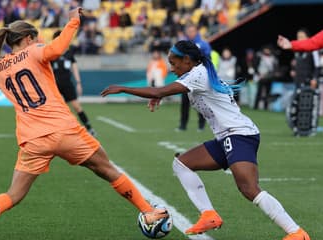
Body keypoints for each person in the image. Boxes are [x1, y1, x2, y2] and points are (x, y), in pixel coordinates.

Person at [0, 7, 167, 240]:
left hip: (32, 140)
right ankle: (148, 212)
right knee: (108, 170)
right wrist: (73, 21)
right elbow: (57, 48)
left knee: (13, 194)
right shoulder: (34, 51)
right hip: (65, 131)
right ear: (28, 39)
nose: (39, 41)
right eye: (36, 38)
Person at [101, 40, 310, 240]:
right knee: (182, 163)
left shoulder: (197, 75)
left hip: (239, 134)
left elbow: (160, 89)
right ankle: (209, 215)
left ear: (188, 61)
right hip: (228, 136)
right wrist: (159, 95)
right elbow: (165, 91)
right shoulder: (197, 72)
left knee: (249, 188)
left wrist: (124, 88)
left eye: (174, 63)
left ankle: (296, 232)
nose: (171, 68)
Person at [51, 30, 96, 136]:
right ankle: (54, 130)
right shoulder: (52, 53)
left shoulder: (69, 54)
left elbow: (74, 67)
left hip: (67, 85)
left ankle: (89, 128)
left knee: (77, 107)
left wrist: (79, 82)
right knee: (55, 109)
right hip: (54, 85)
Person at [178, 23, 210, 132]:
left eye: (192, 31)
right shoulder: (183, 45)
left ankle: (201, 125)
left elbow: (208, 59)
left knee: (200, 102)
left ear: (196, 31)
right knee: (185, 102)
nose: (190, 33)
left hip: (199, 78)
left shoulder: (203, 44)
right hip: (186, 77)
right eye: (189, 31)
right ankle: (182, 125)